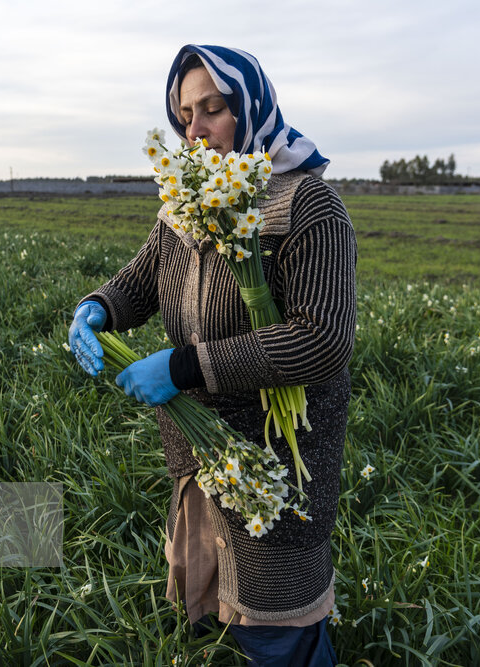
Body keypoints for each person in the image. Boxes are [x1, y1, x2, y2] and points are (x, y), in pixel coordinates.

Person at [68, 44, 356, 666]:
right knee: (215, 612)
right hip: (202, 449)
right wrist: (98, 308)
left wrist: (181, 367)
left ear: (249, 108)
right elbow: (142, 281)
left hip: (278, 459)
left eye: (213, 109)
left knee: (277, 622)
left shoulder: (306, 204)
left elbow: (321, 340)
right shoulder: (184, 203)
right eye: (184, 114)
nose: (194, 129)